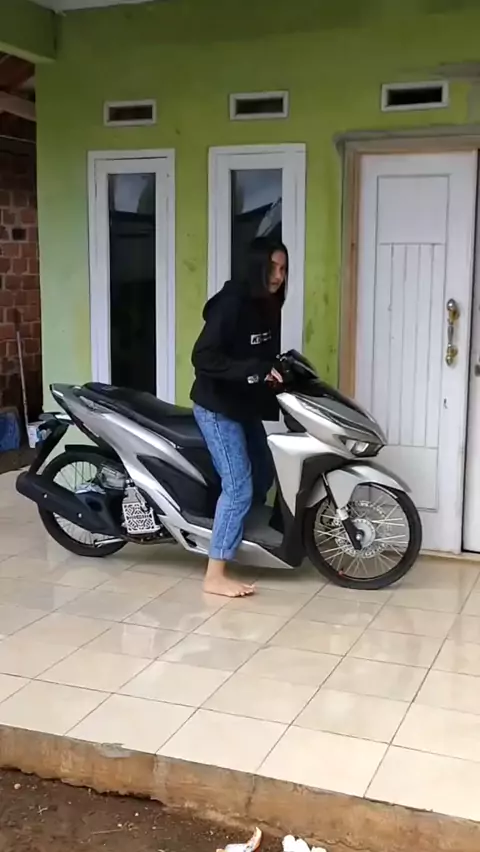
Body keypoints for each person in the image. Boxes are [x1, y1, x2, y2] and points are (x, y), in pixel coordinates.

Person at [191, 238, 288, 598]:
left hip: (243, 406)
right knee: (238, 486)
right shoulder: (231, 304)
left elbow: (261, 354)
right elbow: (203, 357)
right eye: (272, 268)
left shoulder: (268, 303)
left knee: (263, 472)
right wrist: (254, 371)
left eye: (283, 269)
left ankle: (235, 535)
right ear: (256, 267)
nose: (278, 276)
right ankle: (214, 574)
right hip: (218, 408)